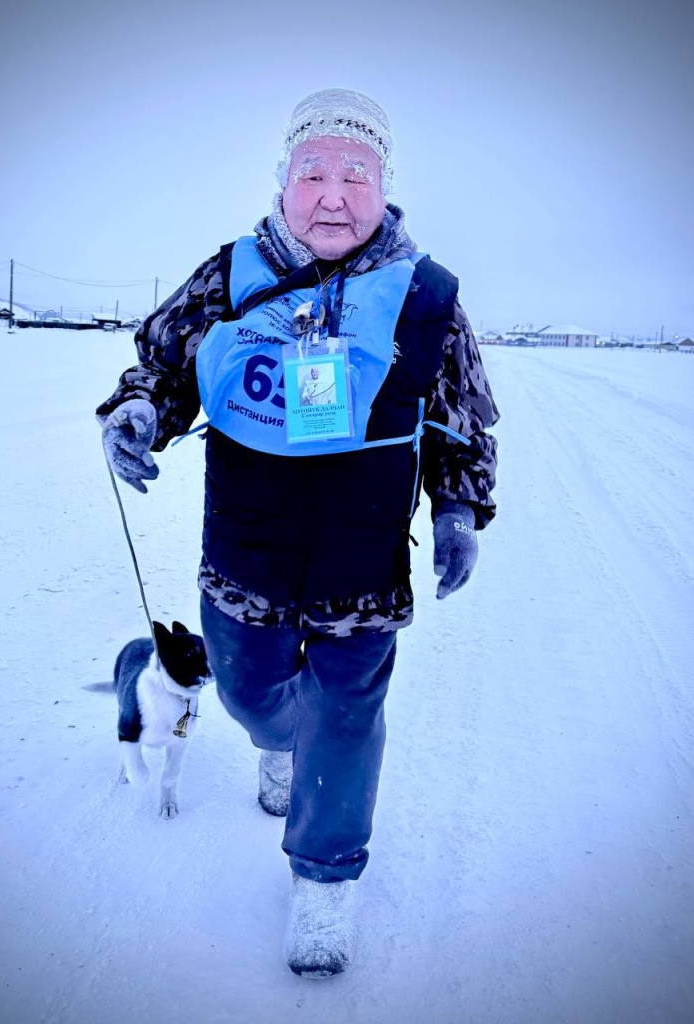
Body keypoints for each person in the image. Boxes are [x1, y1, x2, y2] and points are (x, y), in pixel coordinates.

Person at [97, 88, 499, 979]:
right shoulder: (232, 273)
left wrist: (461, 507)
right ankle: (279, 741)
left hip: (364, 567)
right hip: (244, 562)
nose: (331, 193)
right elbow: (162, 363)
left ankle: (323, 881)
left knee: (348, 718)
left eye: (355, 174)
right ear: (282, 181)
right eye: (311, 171)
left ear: (384, 183)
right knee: (248, 697)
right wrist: (135, 412)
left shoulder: (426, 295)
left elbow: (461, 417)